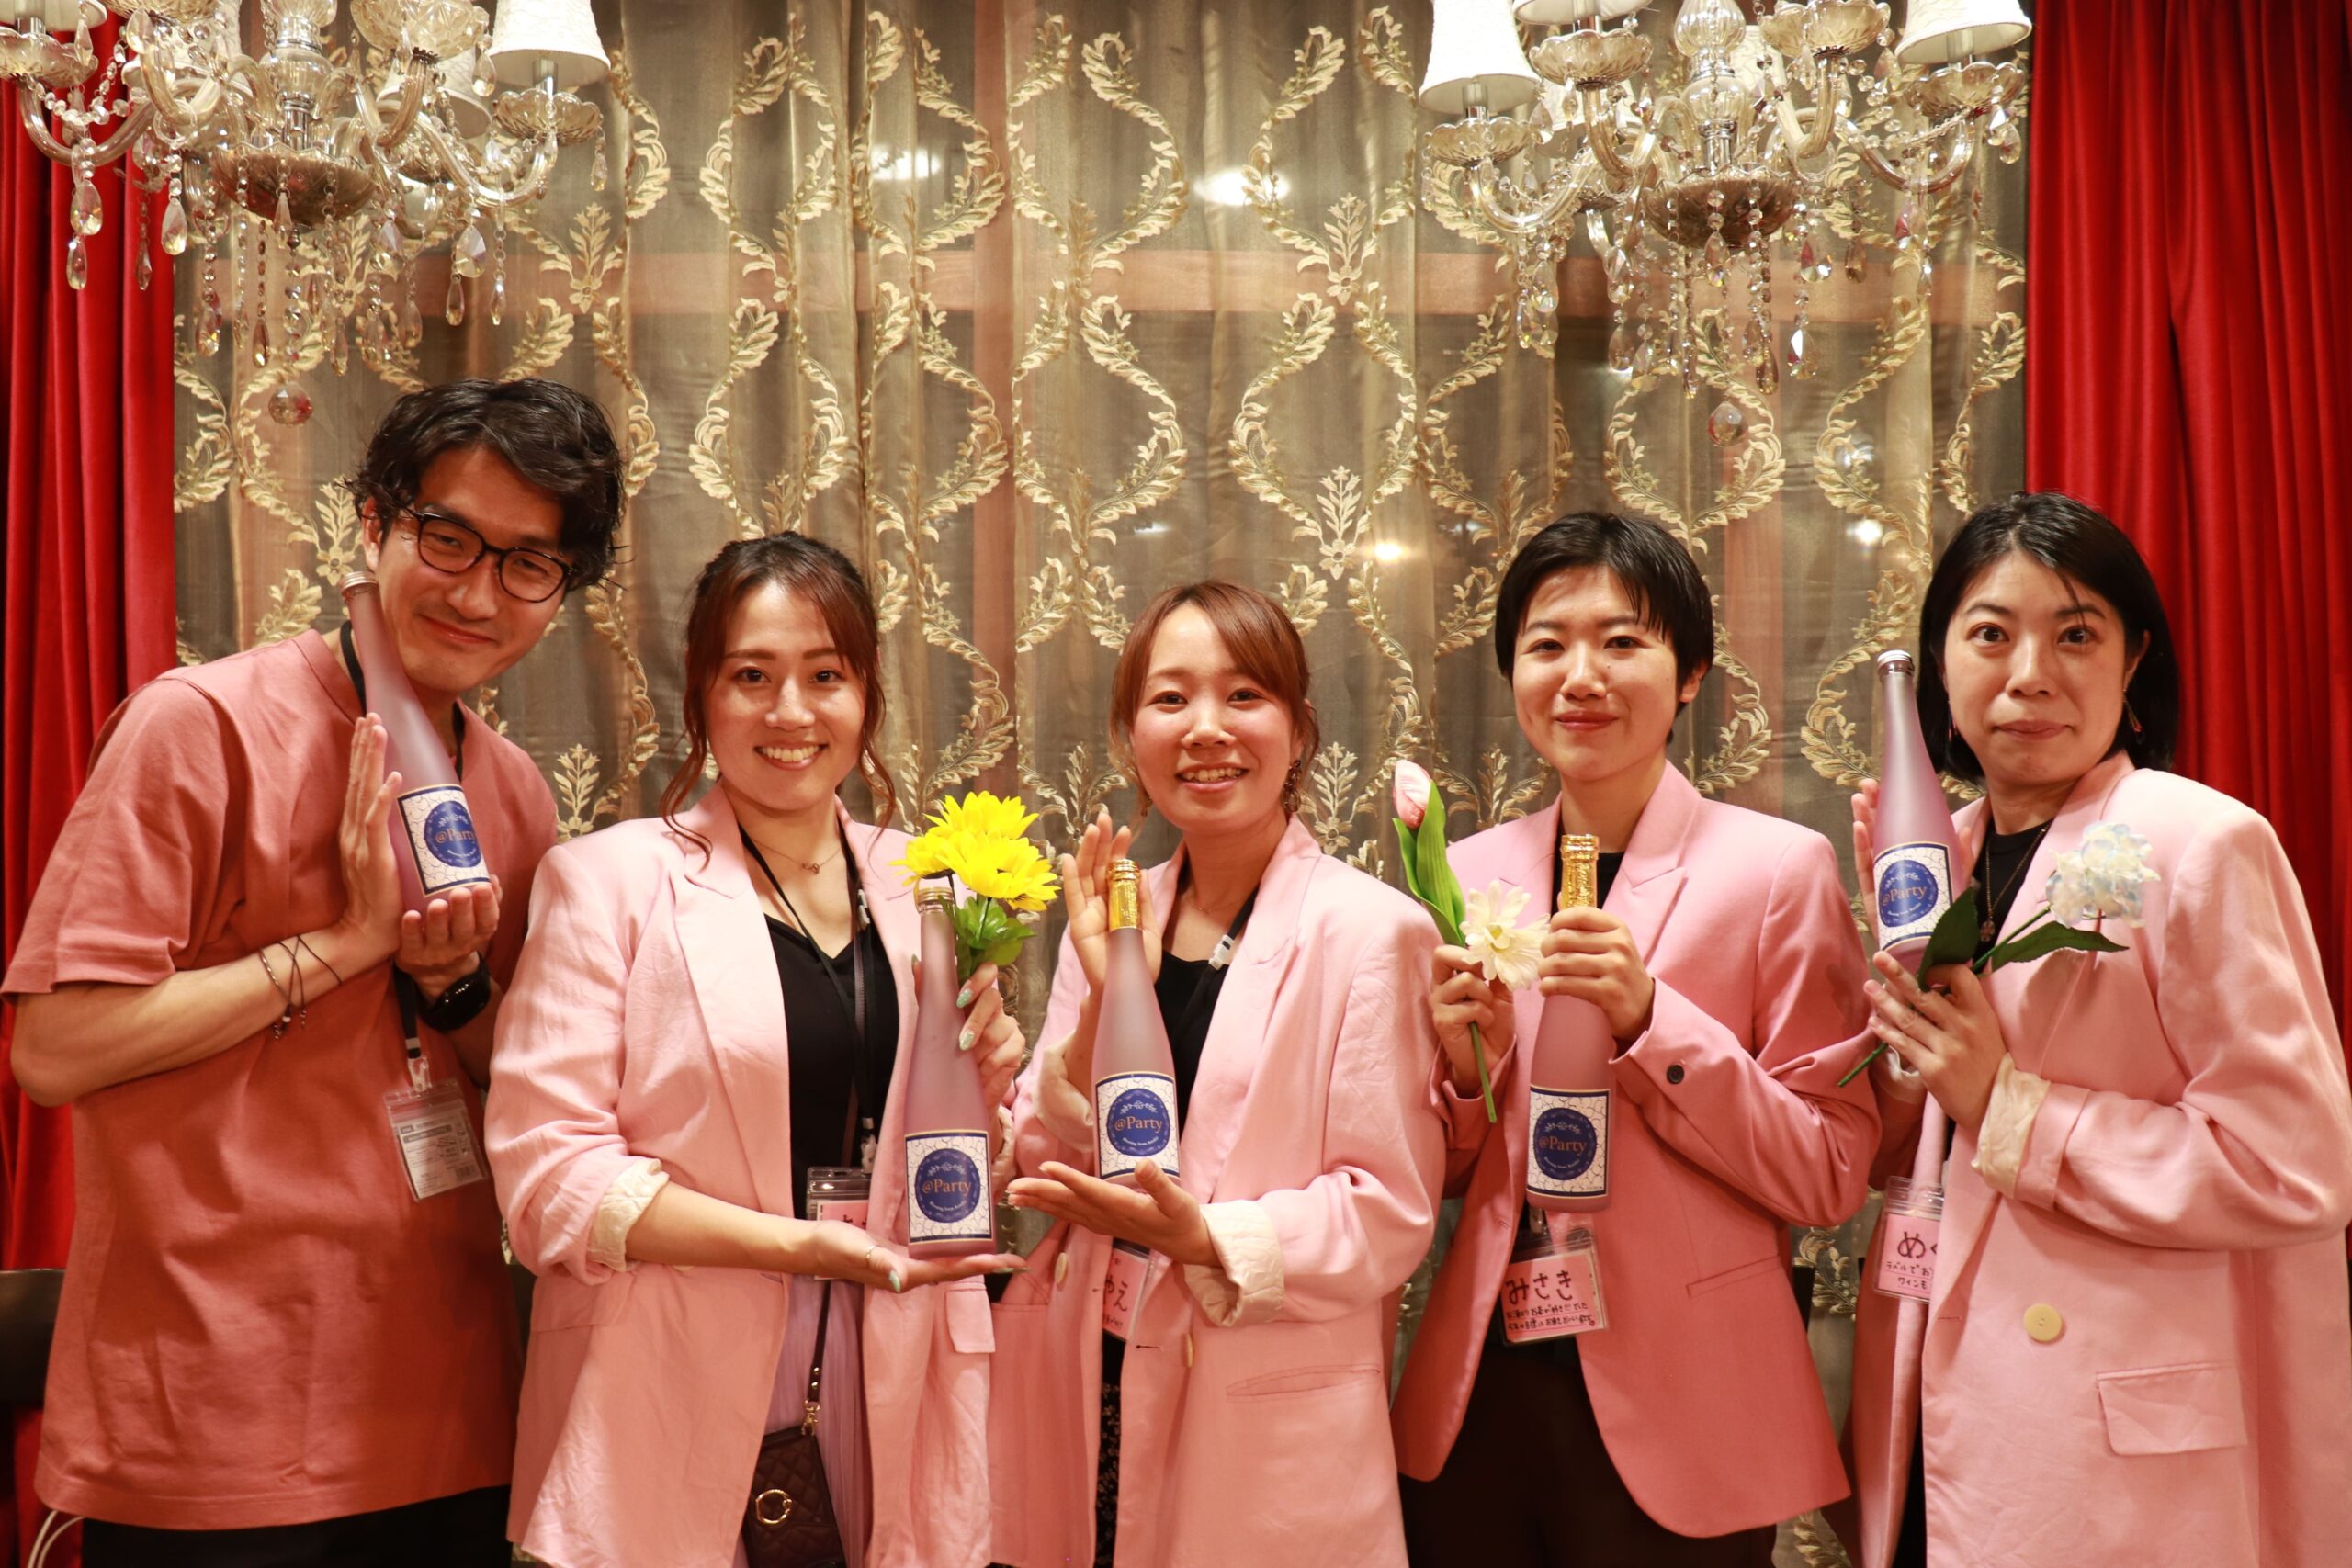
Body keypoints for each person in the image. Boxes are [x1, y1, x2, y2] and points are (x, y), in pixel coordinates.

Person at [1, 378, 622, 1563]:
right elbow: (56, 1048)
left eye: (528, 565)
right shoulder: (201, 725)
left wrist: (451, 987)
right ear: (377, 522)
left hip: (446, 1409)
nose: (477, 593)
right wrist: (339, 945)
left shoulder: (514, 792)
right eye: (449, 537)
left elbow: (523, 1084)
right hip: (211, 1416)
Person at [486, 533, 1027, 1568]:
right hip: (669, 1366)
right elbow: (550, 1179)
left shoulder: (931, 889)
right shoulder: (607, 883)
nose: (791, 712)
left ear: (866, 696)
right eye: (751, 676)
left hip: (894, 1357)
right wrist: (798, 1248)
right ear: (701, 695)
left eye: (825, 675)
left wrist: (992, 1089)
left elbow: (964, 1160)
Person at [1841, 491, 2352, 1567]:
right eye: (1990, 634)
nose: (2029, 673)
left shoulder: (2197, 841)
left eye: (2074, 635)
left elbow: (2295, 1166)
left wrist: (2010, 1110)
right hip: (1940, 1400)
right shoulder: (1936, 854)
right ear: (1938, 666)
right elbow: (1918, 1148)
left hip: (2107, 1447)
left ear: (2132, 666)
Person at [1390, 512, 1880, 1566]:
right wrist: (1464, 1074)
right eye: (1547, 644)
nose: (1581, 676)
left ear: (1690, 671)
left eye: (1622, 641)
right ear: (1512, 672)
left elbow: (1830, 1173)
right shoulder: (1465, 875)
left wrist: (1653, 1019)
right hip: (1484, 1386)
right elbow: (1447, 1173)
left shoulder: (1776, 871)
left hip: (1689, 1398)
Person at [989, 581, 1444, 1567]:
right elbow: (1038, 1147)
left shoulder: (1371, 932)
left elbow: (1388, 1210)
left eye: (1243, 696)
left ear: (1299, 729)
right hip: (1096, 1366)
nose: (1205, 729)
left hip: (1257, 1393)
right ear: (1129, 737)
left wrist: (1204, 1236)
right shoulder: (1116, 914)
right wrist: (1109, 992)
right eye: (1170, 699)